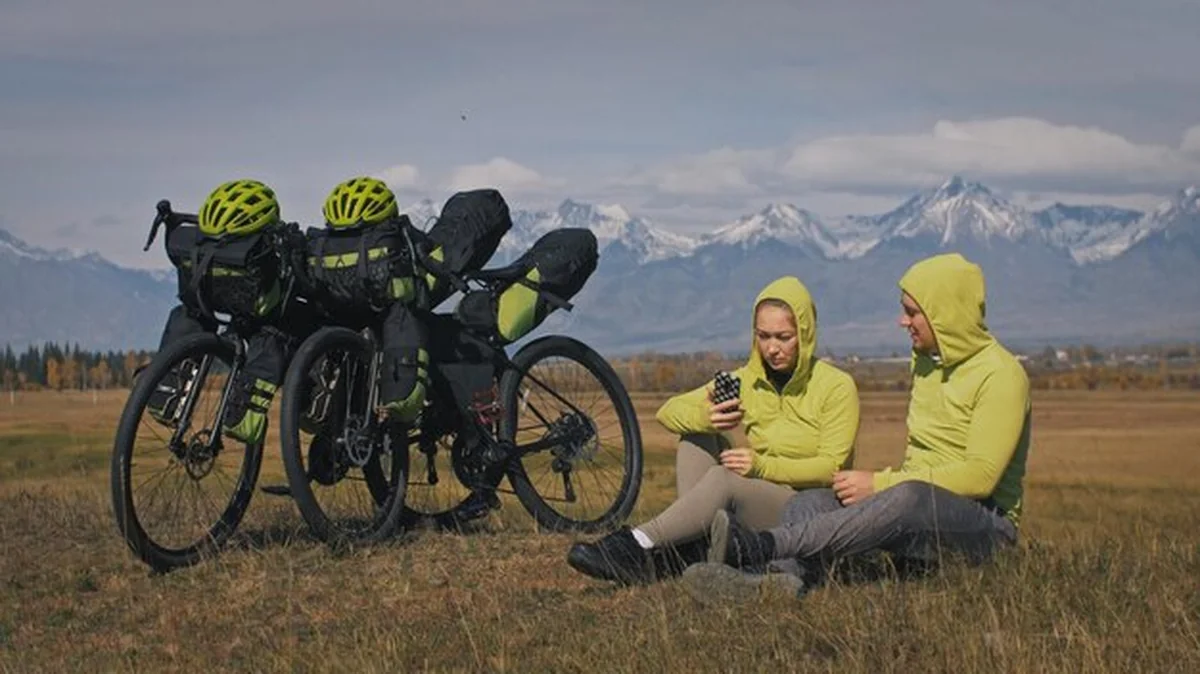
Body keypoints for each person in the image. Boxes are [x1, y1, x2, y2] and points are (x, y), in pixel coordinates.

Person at [684, 253, 1031, 601]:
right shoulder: (928, 363)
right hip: (919, 515)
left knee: (910, 497)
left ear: (945, 313)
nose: (903, 321)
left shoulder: (1001, 375)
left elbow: (980, 477)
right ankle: (774, 584)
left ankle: (758, 547)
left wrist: (880, 484)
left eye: (912, 312)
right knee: (809, 503)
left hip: (986, 526)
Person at [566, 276, 861, 585]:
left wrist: (761, 466)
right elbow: (668, 411)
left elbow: (832, 467)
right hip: (757, 499)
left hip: (805, 511)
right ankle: (691, 546)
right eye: (763, 336)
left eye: (783, 337)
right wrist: (707, 418)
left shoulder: (836, 386)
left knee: (724, 479)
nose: (772, 348)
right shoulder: (747, 380)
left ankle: (635, 545)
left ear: (805, 333)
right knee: (696, 437)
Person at [147, 179, 318, 445]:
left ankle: (166, 396)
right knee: (277, 333)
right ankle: (245, 416)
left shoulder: (196, 243)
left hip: (206, 304)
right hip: (258, 315)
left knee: (188, 315)